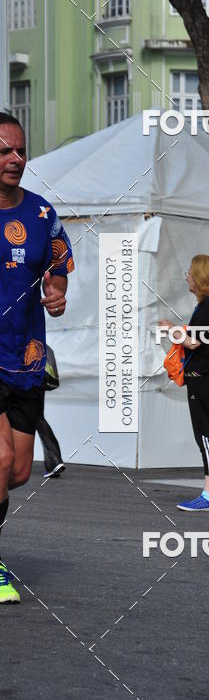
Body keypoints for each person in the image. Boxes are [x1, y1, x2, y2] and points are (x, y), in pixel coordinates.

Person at [0, 112, 74, 604]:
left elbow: (60, 262)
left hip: (24, 358)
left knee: (18, 471)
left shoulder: (42, 213)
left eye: (21, 150)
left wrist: (57, 290)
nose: (16, 158)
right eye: (5, 150)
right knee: (0, 459)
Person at [159, 255, 209, 512]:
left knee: (206, 433)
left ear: (200, 277)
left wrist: (171, 330)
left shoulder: (207, 306)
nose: (186, 276)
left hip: (202, 378)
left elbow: (194, 342)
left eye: (190, 272)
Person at [36, 344, 66, 479]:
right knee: (38, 418)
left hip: (23, 378)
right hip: (36, 377)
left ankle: (54, 461)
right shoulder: (36, 336)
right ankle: (54, 462)